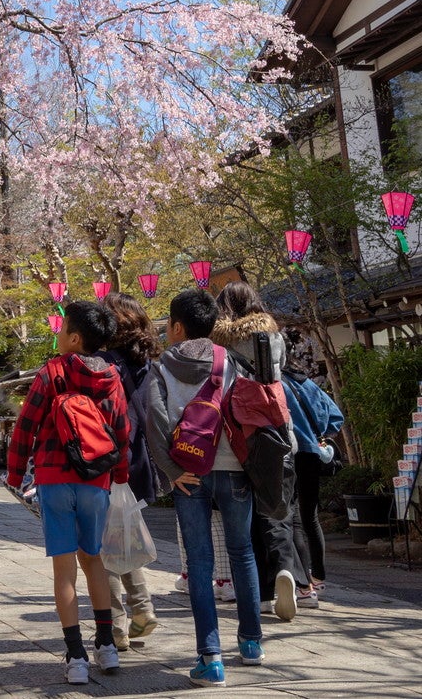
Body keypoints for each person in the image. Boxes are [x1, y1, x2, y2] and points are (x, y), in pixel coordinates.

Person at [6, 299, 131, 682]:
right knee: (93, 560)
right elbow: (122, 432)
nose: (58, 335)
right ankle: (107, 648)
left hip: (54, 479)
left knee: (64, 570)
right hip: (95, 481)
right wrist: (120, 476)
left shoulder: (53, 372)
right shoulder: (112, 377)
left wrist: (14, 474)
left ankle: (76, 657)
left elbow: (26, 424)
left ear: (75, 338)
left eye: (62, 330)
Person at [147, 287, 263, 688]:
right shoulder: (230, 359)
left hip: (189, 472)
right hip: (234, 468)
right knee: (242, 551)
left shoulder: (162, 366)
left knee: (199, 562)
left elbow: (155, 420)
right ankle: (251, 643)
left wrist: (171, 469)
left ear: (177, 326)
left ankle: (210, 659)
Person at [211, 282, 312, 618]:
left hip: (242, 437)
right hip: (281, 433)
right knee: (280, 507)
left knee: (251, 513)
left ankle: (265, 592)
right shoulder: (274, 337)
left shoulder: (221, 343)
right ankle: (287, 570)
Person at [100, 292, 161, 650]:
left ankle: (116, 626)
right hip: (140, 461)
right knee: (123, 537)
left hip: (111, 460)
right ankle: (142, 610)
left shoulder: (104, 363)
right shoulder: (149, 363)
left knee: (101, 545)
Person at [282, 359, 344, 594]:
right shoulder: (310, 385)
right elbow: (336, 417)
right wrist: (320, 436)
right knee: (311, 517)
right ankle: (319, 576)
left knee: (294, 518)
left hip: (291, 453)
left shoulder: (279, 385)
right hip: (313, 454)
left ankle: (304, 583)